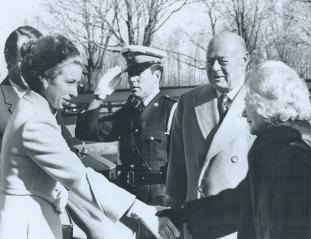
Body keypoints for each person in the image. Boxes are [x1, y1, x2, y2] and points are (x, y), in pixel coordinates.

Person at [0, 34, 179, 239]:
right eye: (69, 82)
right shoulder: (35, 121)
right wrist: (144, 211)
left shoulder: (35, 109)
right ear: (44, 77)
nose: (75, 91)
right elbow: (80, 177)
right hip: (27, 229)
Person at [158, 61, 311, 239]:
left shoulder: (294, 157)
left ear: (265, 106)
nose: (244, 113)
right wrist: (180, 216)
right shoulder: (278, 153)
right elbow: (237, 204)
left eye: (249, 105)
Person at [165, 31, 253, 238]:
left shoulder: (260, 102)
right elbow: (176, 168)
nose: (214, 68)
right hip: (196, 222)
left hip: (238, 225)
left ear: (244, 60)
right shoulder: (189, 102)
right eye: (209, 61)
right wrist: (172, 213)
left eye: (222, 61)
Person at [75, 45, 177, 205]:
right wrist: (99, 96)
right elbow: (86, 132)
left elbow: (181, 165)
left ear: (156, 76)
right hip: (126, 198)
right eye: (130, 73)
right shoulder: (129, 111)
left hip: (158, 202)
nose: (132, 79)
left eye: (138, 73)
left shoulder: (171, 110)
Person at [0, 26, 74, 154]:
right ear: (9, 59)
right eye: (25, 60)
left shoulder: (46, 97)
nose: (33, 68)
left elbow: (68, 149)